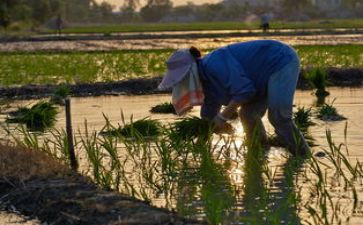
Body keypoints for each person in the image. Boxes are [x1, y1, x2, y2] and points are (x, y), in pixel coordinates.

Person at [158, 40, 309, 156]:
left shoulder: (214, 64)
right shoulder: (205, 83)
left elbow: (245, 91)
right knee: (248, 115)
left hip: (279, 60)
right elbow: (209, 116)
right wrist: (203, 139)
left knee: (279, 116)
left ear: (190, 72)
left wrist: (223, 117)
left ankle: (304, 155)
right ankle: (260, 152)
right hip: (258, 78)